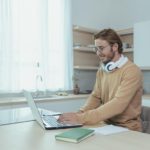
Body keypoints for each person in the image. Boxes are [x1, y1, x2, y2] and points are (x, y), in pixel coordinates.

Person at [58, 28, 143, 131]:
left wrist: (81, 118)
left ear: (115, 47)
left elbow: (118, 104)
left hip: (128, 129)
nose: (98, 53)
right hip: (106, 125)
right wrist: (79, 113)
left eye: (101, 48)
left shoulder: (132, 71)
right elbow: (96, 97)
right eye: (96, 49)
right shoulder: (102, 70)